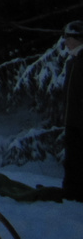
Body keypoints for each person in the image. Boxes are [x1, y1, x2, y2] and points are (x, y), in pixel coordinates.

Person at [63, 21, 83, 200]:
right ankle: (71, 192)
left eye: (68, 37)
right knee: (72, 159)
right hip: (72, 120)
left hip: (79, 121)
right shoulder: (72, 61)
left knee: (77, 160)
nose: (66, 41)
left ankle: (75, 193)